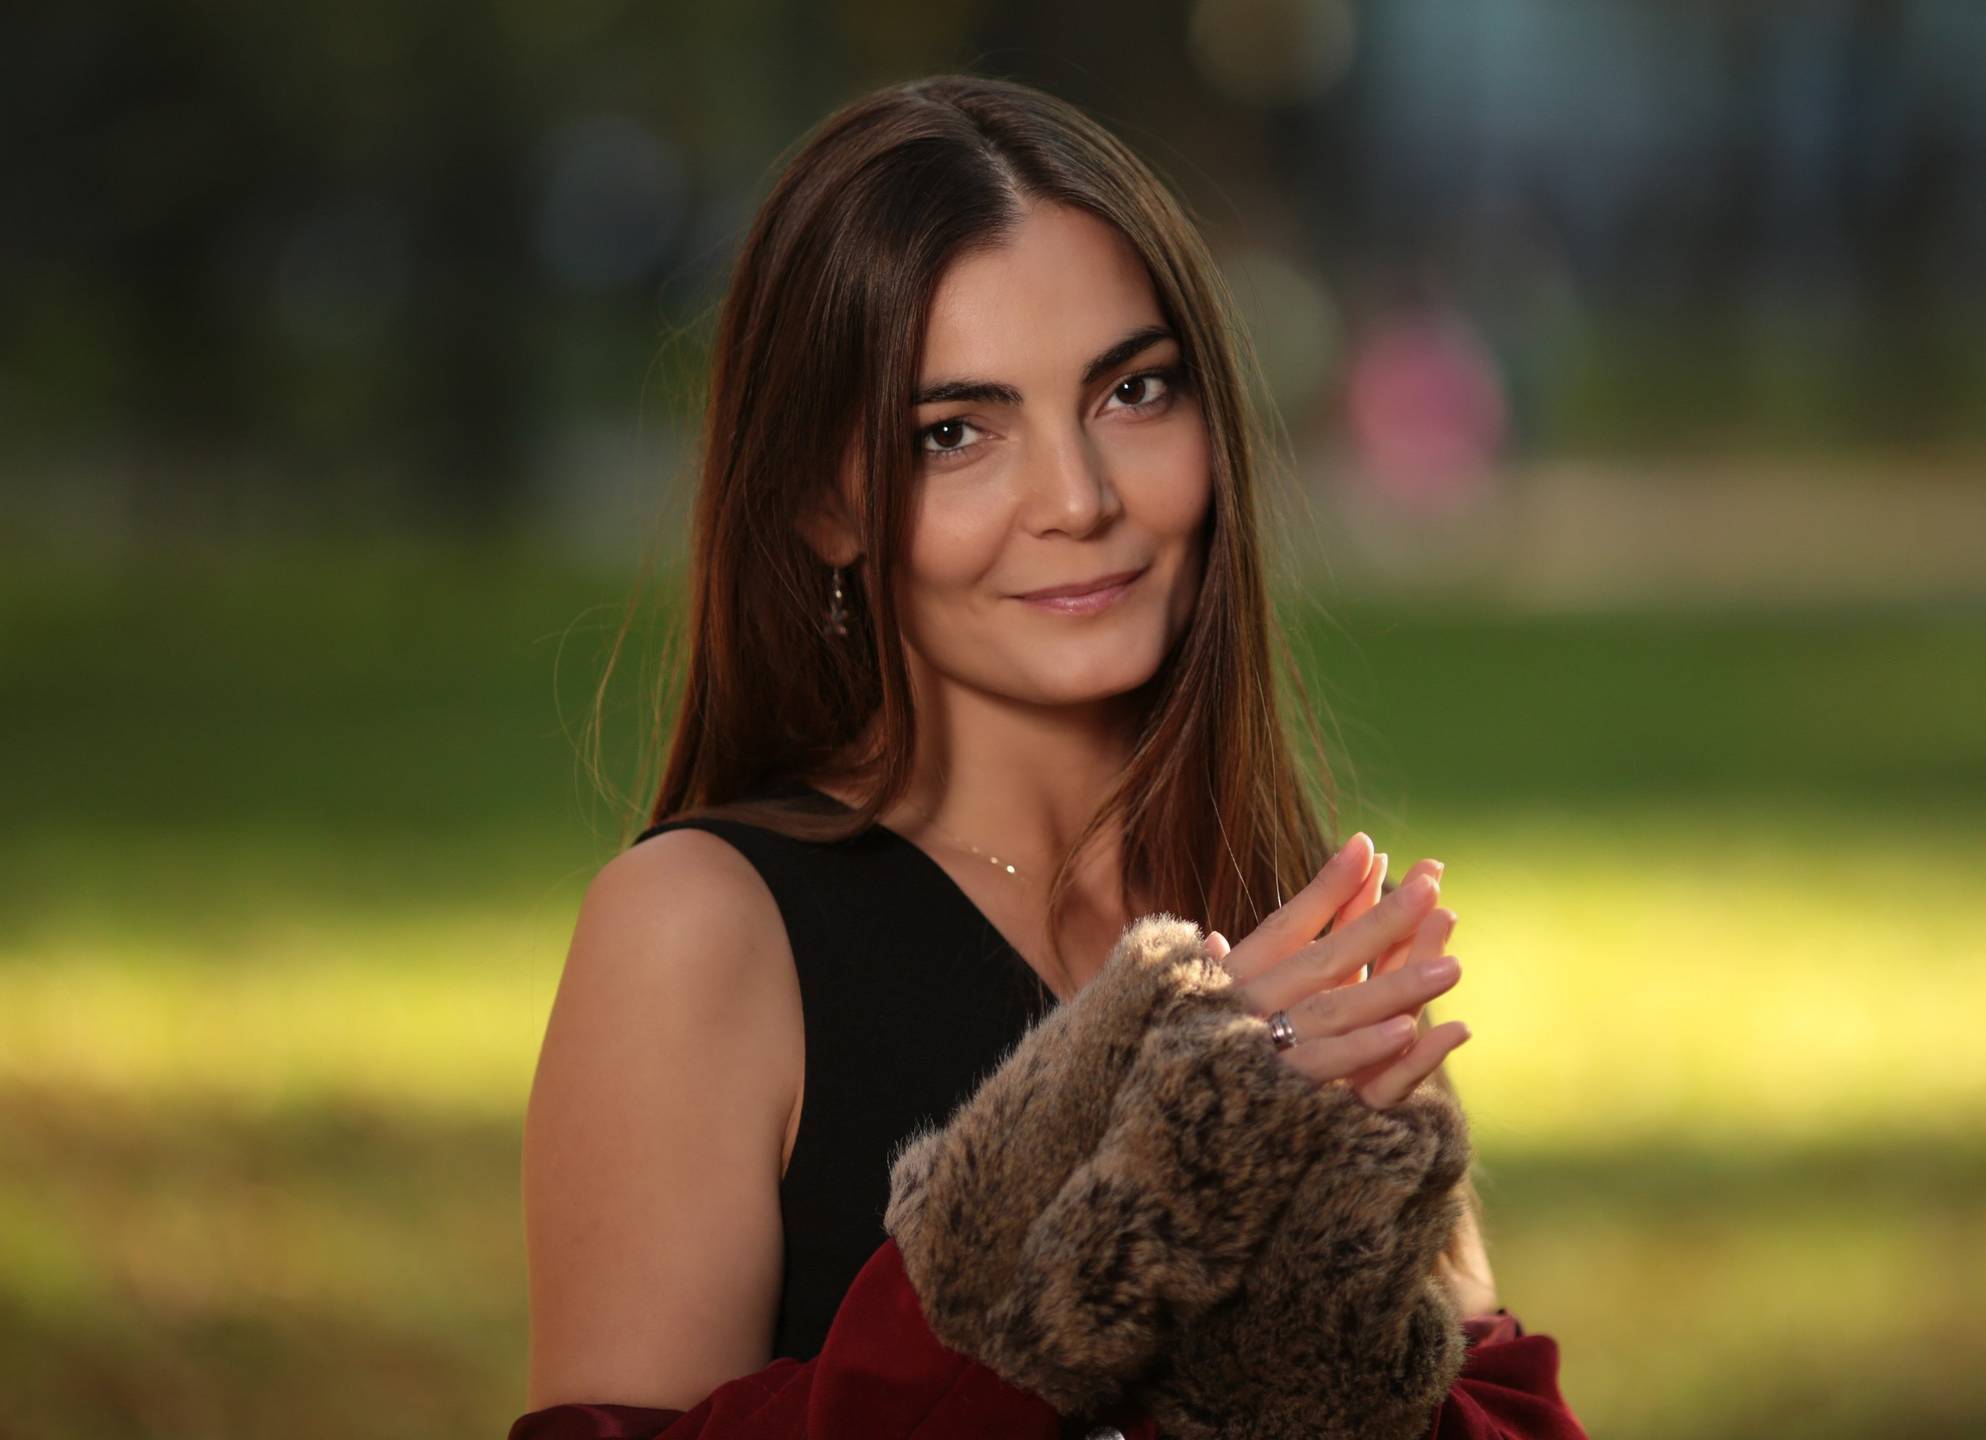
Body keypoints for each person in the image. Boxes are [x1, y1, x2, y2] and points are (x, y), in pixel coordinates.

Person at [514, 76, 1582, 1440]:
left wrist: (1320, 1329)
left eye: (1132, 393)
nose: (1078, 499)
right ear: (823, 502)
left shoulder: (1293, 924)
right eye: (954, 433)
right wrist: (1087, 1237)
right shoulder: (700, 932)